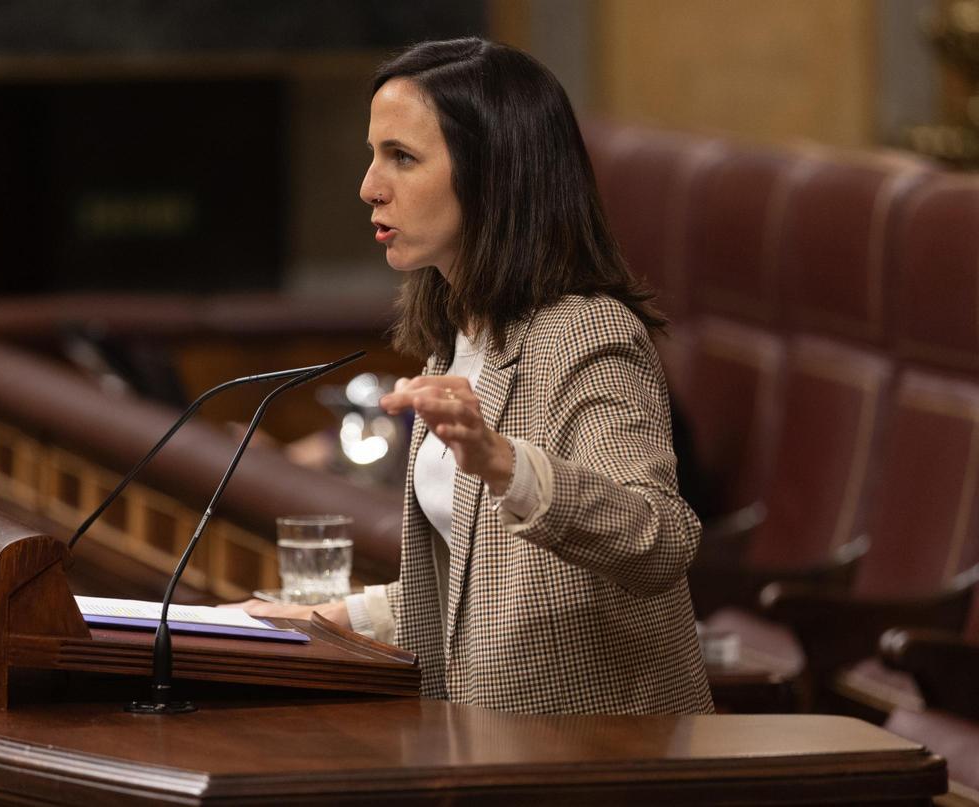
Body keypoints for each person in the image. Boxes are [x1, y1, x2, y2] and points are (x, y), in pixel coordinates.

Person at [235, 37, 713, 715]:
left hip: (593, 756)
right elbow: (481, 588)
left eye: (401, 157)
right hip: (481, 745)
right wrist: (334, 617)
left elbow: (659, 537)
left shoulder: (586, 332)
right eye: (375, 156)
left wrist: (505, 462)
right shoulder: (458, 339)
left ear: (494, 173)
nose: (368, 185)